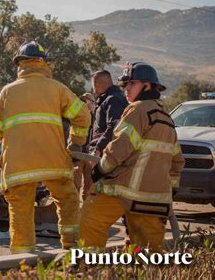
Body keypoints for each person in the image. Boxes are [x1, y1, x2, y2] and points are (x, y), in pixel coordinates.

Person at [0, 40, 91, 253]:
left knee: (20, 206)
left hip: (18, 163)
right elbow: (83, 116)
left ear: (20, 64)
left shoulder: (7, 92)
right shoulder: (57, 89)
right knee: (67, 199)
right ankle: (71, 247)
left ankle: (22, 256)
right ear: (43, 62)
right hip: (53, 159)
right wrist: (76, 143)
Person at [79, 62, 185, 252]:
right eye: (124, 85)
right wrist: (170, 189)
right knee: (150, 254)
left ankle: (88, 269)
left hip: (123, 192)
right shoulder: (166, 118)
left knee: (89, 222)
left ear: (148, 86)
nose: (126, 89)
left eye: (131, 84)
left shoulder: (137, 109)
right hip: (155, 201)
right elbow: (177, 160)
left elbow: (119, 147)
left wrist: (100, 170)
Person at [88, 70, 128, 160]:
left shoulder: (113, 100)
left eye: (93, 86)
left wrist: (98, 149)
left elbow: (114, 126)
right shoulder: (110, 99)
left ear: (97, 84)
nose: (94, 90)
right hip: (102, 151)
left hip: (103, 154)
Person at [73, 92, 96, 201]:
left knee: (89, 187)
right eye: (82, 101)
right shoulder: (75, 117)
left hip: (91, 156)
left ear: (93, 104)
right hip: (77, 156)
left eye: (87, 101)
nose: (84, 104)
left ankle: (84, 215)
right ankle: (74, 212)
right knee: (74, 185)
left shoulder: (98, 118)